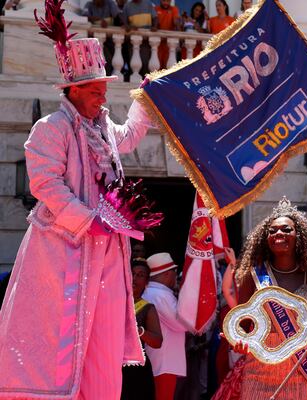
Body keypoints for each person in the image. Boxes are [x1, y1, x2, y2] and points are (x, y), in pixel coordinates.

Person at [0, 6, 154, 397]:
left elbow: (132, 134)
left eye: (104, 91)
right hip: (62, 253)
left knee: (103, 343)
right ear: (73, 90)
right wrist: (91, 220)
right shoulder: (50, 128)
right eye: (96, 92)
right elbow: (45, 184)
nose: (103, 99)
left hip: (108, 255)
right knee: (56, 345)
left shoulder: (102, 128)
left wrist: (145, 97)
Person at [214, 197, 307, 399]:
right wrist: (237, 340)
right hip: (259, 368)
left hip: (299, 368)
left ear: (300, 236)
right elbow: (242, 323)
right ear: (265, 238)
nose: (279, 233)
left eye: (287, 229)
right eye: (273, 230)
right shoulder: (253, 274)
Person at [143, 252, 189, 400]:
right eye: (174, 272)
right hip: (163, 363)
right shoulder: (160, 295)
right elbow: (182, 324)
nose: (176, 276)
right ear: (168, 274)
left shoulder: (152, 292)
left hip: (159, 361)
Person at [122, 259, 164, 400]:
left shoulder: (147, 308)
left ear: (147, 282)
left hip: (136, 370)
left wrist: (140, 331)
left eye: (140, 275)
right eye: (132, 273)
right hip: (112, 365)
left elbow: (158, 341)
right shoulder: (113, 303)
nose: (134, 278)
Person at [122, 0, 157, 78]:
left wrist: (154, 26)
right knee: (133, 64)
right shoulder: (127, 6)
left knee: (145, 63)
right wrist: (128, 26)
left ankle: (144, 84)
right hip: (133, 41)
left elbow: (155, 18)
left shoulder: (148, 4)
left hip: (145, 40)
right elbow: (124, 22)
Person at [155, 0, 181, 69]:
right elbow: (154, 23)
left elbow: (176, 22)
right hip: (158, 43)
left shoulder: (174, 9)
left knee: (168, 67)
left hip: (169, 43)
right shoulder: (156, 9)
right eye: (164, 1)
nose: (166, 3)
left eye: (168, 1)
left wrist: (178, 26)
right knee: (156, 66)